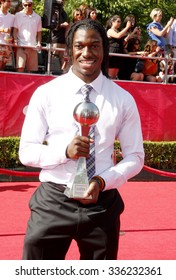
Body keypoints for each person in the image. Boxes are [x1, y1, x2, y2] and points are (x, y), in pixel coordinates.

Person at [19, 19, 144, 260]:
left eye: (95, 46)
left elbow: (136, 157)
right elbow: (26, 152)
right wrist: (64, 152)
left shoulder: (123, 99)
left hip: (102, 204)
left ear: (104, 50)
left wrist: (101, 181)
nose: (87, 53)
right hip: (53, 202)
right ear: (69, 50)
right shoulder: (46, 94)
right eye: (79, 46)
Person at [13, 0, 42, 72]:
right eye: (25, 5)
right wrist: (15, 40)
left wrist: (39, 43)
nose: (27, 7)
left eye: (29, 5)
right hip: (21, 46)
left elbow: (39, 32)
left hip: (32, 47)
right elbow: (15, 30)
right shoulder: (18, 15)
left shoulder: (37, 17)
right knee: (20, 68)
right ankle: (18, 83)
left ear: (32, 5)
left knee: (32, 71)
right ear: (22, 5)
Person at [106, 14, 131, 79]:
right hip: (112, 54)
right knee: (110, 75)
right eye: (118, 21)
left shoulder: (118, 31)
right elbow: (118, 36)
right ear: (112, 22)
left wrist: (126, 40)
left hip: (118, 53)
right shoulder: (110, 30)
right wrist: (127, 27)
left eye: (120, 22)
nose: (119, 23)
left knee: (114, 76)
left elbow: (121, 43)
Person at [50, 0, 69, 72]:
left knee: (63, 59)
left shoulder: (63, 11)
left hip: (64, 39)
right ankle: (52, 74)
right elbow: (51, 25)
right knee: (53, 59)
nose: (62, 1)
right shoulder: (53, 10)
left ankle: (63, 74)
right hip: (55, 39)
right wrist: (62, 25)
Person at [0, 0, 14, 70]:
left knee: (2, 68)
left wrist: (11, 38)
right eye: (8, 1)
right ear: (2, 1)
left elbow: (12, 31)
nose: (10, 3)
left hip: (7, 45)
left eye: (10, 1)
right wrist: (3, 30)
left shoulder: (11, 17)